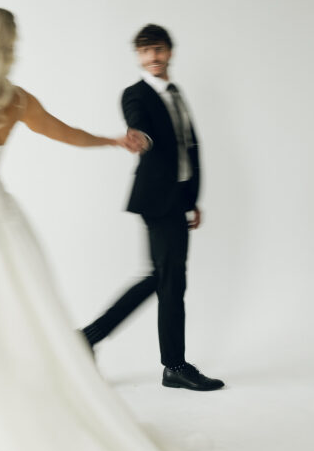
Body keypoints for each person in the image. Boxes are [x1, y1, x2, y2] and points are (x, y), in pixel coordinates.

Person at [0, 9, 306, 451]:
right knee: (13, 323)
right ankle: (16, 413)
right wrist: (112, 141)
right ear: (9, 48)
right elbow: (65, 133)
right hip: (0, 222)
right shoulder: (15, 101)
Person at [81, 24, 224, 392]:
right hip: (156, 198)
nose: (152, 58)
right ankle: (171, 364)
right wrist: (138, 137)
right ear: (139, 57)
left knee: (165, 278)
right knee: (169, 279)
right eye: (145, 52)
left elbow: (188, 147)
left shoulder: (177, 94)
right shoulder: (136, 94)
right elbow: (139, 125)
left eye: (158, 50)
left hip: (177, 197)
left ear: (170, 52)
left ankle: (90, 339)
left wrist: (192, 199)